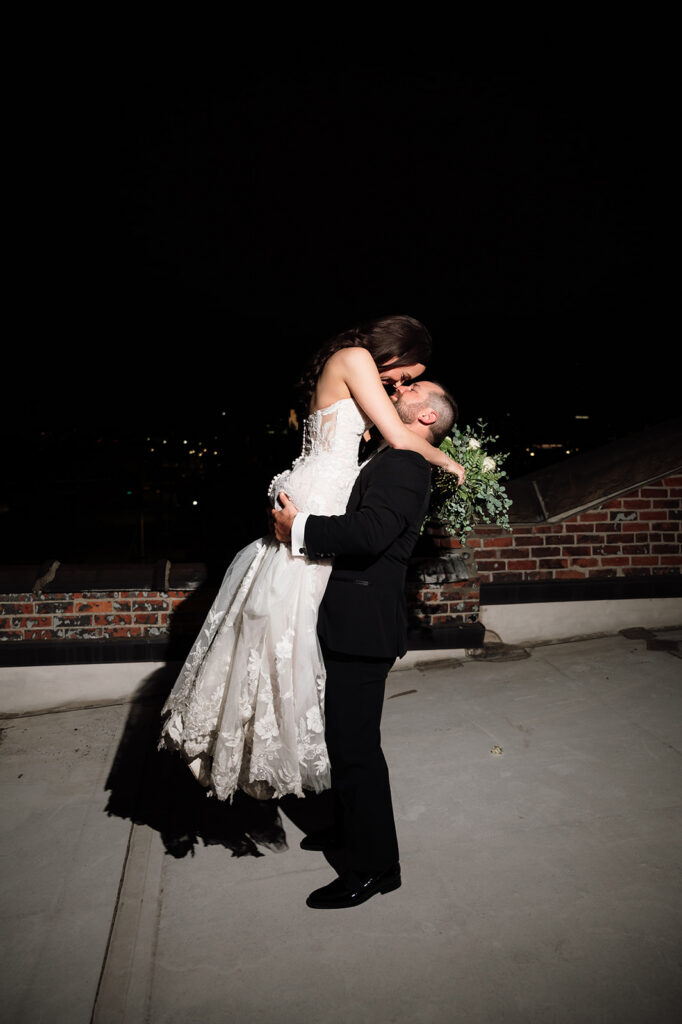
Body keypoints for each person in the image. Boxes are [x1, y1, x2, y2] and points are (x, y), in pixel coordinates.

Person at [159, 315, 464, 802]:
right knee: (283, 636)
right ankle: (276, 750)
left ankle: (290, 756)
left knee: (288, 638)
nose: (401, 383)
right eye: (406, 373)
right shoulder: (358, 360)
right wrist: (450, 460)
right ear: (393, 351)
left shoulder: (354, 368)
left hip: (316, 494)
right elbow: (404, 438)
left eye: (410, 382)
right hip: (318, 496)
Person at [272, 379, 458, 909]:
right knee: (340, 740)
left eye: (413, 387)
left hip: (362, 624)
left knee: (356, 751)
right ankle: (347, 830)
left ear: (426, 417)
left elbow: (372, 532)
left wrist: (298, 528)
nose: (399, 387)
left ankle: (377, 867)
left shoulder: (404, 464)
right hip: (345, 617)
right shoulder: (388, 454)